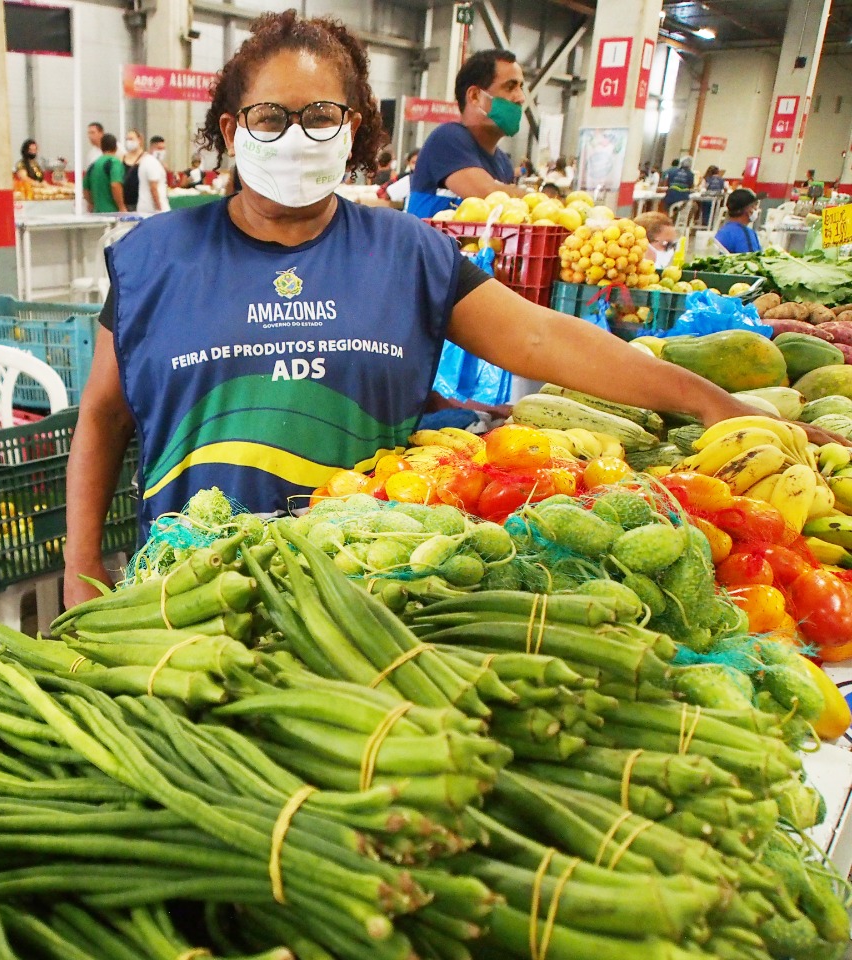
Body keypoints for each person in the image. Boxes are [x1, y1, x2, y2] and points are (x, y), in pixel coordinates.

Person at [61, 10, 773, 605]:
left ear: (355, 126)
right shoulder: (155, 257)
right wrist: (79, 566)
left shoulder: (408, 256)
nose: (296, 134)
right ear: (229, 131)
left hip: (369, 600)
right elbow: (103, 415)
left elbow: (540, 337)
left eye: (319, 115)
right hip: (185, 597)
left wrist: (706, 400)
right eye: (271, 117)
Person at [406, 48, 527, 218]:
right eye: (510, 87)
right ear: (475, 96)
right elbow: (487, 194)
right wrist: (543, 200)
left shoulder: (503, 163)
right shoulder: (447, 139)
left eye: (521, 87)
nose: (520, 97)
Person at [84, 134, 125, 214]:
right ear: (116, 148)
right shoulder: (114, 162)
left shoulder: (93, 165)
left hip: (97, 211)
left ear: (101, 148)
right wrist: (121, 206)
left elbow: (85, 188)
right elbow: (115, 185)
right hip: (112, 212)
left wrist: (91, 203)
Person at [715, 188, 762, 254]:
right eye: (755, 205)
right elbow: (752, 260)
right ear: (748, 210)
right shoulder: (745, 234)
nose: (757, 209)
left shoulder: (723, 231)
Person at [136, 135, 170, 214]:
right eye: (159, 148)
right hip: (153, 209)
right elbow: (153, 188)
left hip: (146, 207)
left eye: (163, 148)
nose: (161, 151)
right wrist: (159, 208)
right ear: (151, 148)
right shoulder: (152, 163)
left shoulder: (147, 160)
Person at [121, 129, 145, 211]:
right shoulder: (122, 157)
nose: (128, 142)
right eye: (127, 139)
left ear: (139, 140)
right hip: (125, 201)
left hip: (139, 201)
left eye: (131, 139)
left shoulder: (146, 157)